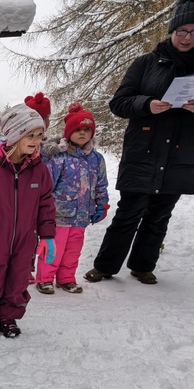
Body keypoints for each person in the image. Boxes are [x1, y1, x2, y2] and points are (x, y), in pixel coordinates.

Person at [85, 1, 194, 286]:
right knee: (129, 212)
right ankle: (105, 266)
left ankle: (143, 266)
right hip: (144, 150)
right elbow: (118, 102)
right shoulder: (146, 63)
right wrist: (147, 104)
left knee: (160, 216)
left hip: (180, 155)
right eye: (182, 30)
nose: (187, 37)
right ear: (172, 30)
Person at [0, 104, 56, 338]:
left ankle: (9, 317)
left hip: (25, 240)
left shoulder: (39, 170)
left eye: (39, 135)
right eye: (31, 135)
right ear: (15, 134)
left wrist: (47, 235)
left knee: (18, 280)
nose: (36, 140)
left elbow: (46, 203)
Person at [35, 103, 109, 295]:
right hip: (59, 214)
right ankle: (44, 278)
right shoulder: (60, 157)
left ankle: (66, 278)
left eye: (86, 129)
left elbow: (101, 183)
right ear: (68, 133)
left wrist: (102, 204)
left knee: (73, 249)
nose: (82, 133)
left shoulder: (96, 159)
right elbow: (47, 185)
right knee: (54, 248)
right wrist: (43, 208)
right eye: (78, 130)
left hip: (83, 214)